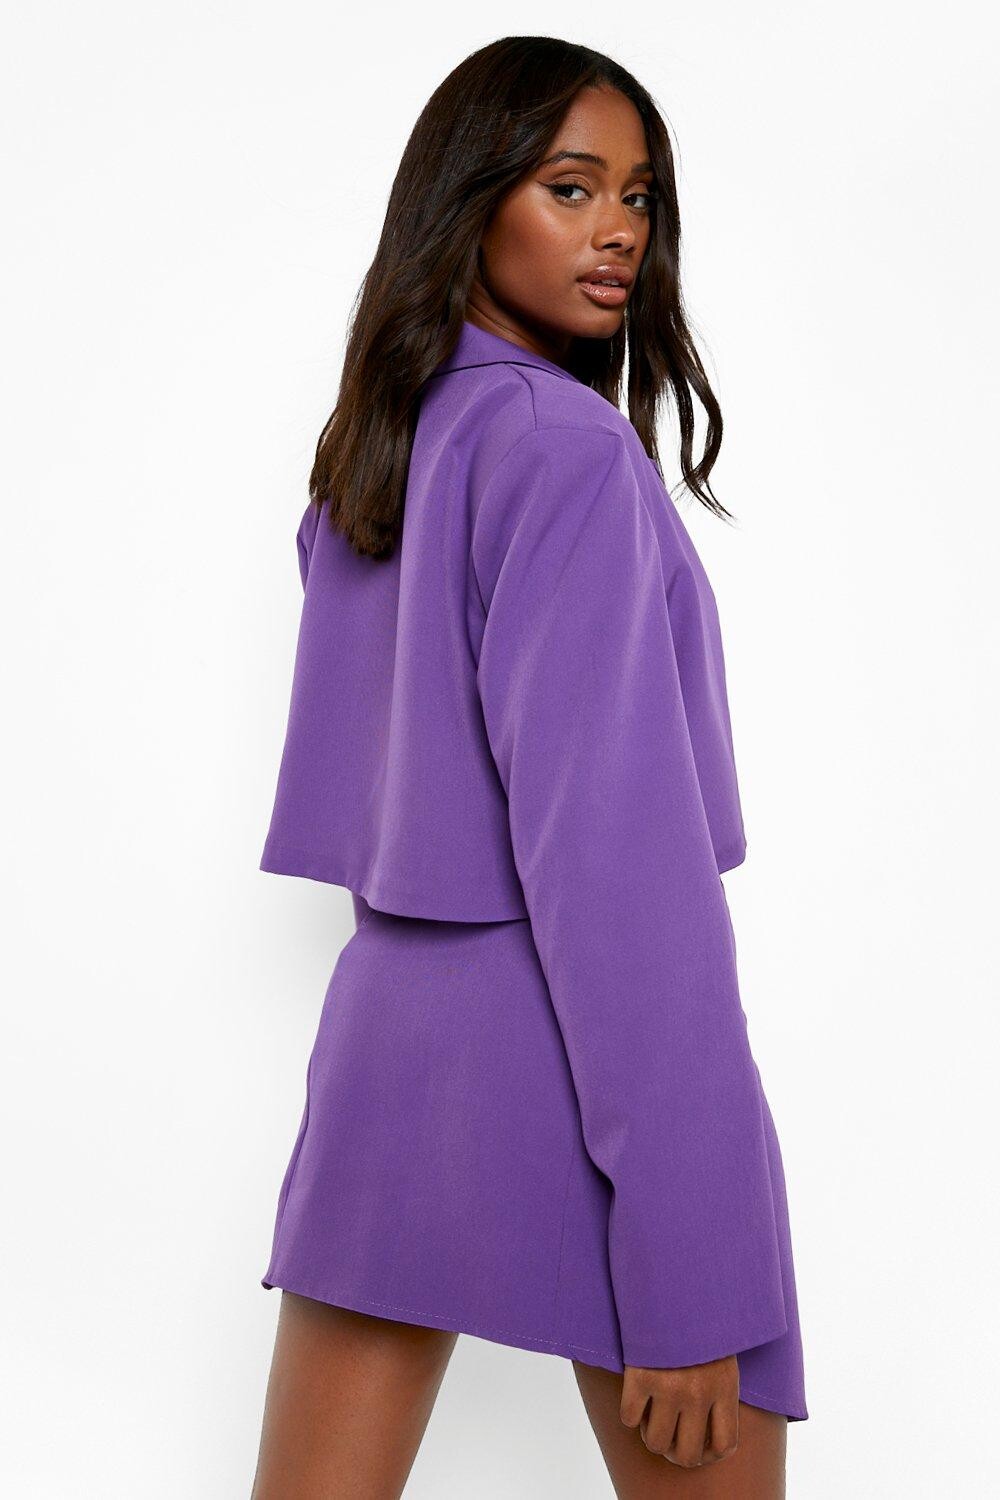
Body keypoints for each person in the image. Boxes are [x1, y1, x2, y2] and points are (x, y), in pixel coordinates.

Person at [251, 36, 808, 1499]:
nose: (619, 228)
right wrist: (691, 1256)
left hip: (386, 1055)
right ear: (471, 200)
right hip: (573, 1052)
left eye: (638, 195)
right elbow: (622, 885)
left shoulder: (382, 443)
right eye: (572, 188)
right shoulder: (565, 451)